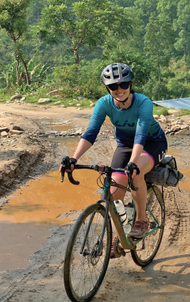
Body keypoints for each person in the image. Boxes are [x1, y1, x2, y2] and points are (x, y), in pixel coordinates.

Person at [62, 62, 167, 241]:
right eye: (113, 86)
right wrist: (74, 158)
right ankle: (117, 238)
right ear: (107, 88)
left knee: (136, 173)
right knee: (115, 192)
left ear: (130, 85)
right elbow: (91, 133)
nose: (119, 90)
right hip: (125, 144)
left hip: (152, 143)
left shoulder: (143, 103)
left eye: (124, 84)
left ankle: (141, 219)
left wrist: (133, 163)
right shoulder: (104, 104)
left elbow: (141, 136)